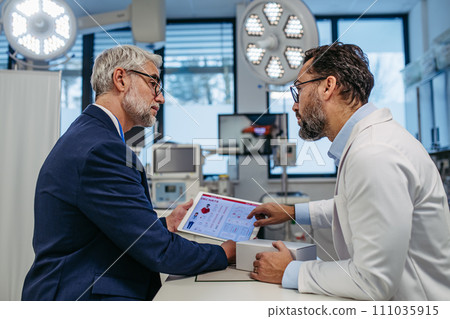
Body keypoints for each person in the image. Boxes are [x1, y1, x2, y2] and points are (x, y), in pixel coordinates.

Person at [22, 45, 235, 301]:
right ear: (121, 79)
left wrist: (165, 224)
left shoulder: (89, 134)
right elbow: (160, 252)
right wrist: (225, 253)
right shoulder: (103, 149)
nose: (161, 98)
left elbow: (102, 229)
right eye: (154, 83)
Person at [247, 42, 450, 301]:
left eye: (299, 91)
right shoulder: (369, 142)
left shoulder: (374, 153)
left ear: (328, 86)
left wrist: (290, 270)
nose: (295, 107)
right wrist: (294, 212)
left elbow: (371, 282)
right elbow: (357, 206)